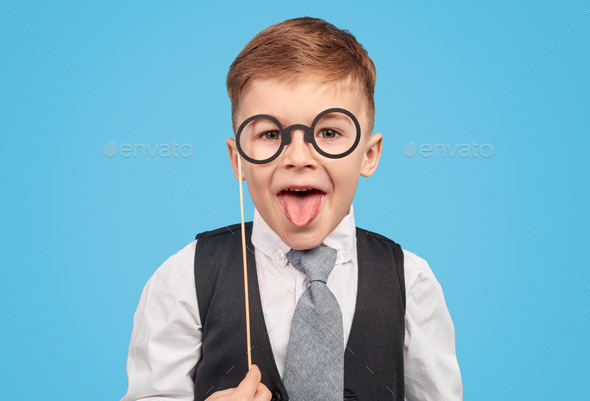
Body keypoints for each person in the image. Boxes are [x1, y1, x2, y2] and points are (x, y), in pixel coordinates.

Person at [121, 16, 462, 401]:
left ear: (368, 155)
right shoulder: (184, 279)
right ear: (238, 160)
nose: (298, 157)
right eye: (269, 134)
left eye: (329, 133)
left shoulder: (411, 283)